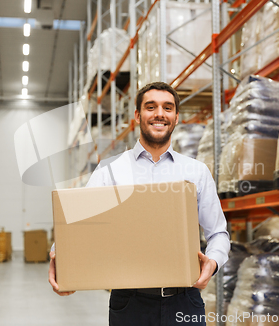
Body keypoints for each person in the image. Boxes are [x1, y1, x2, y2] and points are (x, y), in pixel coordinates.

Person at [49, 82, 230, 325]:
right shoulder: (109, 170)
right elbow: (77, 226)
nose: (159, 114)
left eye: (168, 108)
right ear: (137, 115)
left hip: (184, 301)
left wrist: (213, 262)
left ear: (176, 118)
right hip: (130, 303)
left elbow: (218, 232)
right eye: (150, 107)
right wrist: (61, 260)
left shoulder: (196, 171)